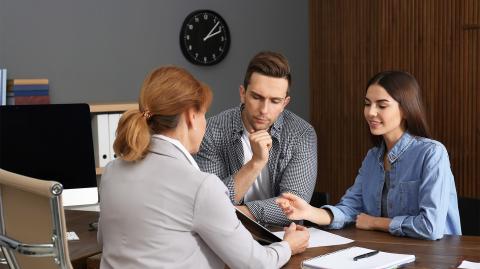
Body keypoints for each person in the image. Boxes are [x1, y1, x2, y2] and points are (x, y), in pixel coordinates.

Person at [97, 66, 309, 269]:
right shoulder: (201, 187)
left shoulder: (112, 171)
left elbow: (105, 240)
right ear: (191, 116)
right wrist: (288, 246)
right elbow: (256, 264)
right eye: (204, 114)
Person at [276, 70, 462, 240]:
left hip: (437, 257)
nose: (371, 112)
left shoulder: (432, 153)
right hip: (391, 253)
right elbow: (350, 208)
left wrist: (374, 222)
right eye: (367, 104)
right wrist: (309, 212)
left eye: (382, 105)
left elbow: (431, 227)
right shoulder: (373, 158)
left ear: (405, 109)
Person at [194, 51, 318, 226]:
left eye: (275, 101)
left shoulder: (302, 134)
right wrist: (256, 162)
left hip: (282, 235)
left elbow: (294, 208)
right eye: (257, 97)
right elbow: (209, 202)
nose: (264, 110)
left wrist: (236, 213)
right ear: (243, 93)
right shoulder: (213, 130)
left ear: (285, 103)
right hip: (227, 237)